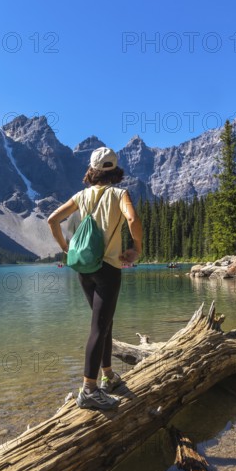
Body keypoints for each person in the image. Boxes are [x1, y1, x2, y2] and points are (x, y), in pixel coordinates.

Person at [47, 147, 143, 410]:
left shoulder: (81, 195)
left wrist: (66, 249)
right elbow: (133, 219)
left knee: (105, 323)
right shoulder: (119, 194)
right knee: (99, 328)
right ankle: (89, 390)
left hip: (84, 269)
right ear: (115, 170)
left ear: (92, 170)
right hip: (108, 268)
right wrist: (136, 249)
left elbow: (52, 220)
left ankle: (108, 376)